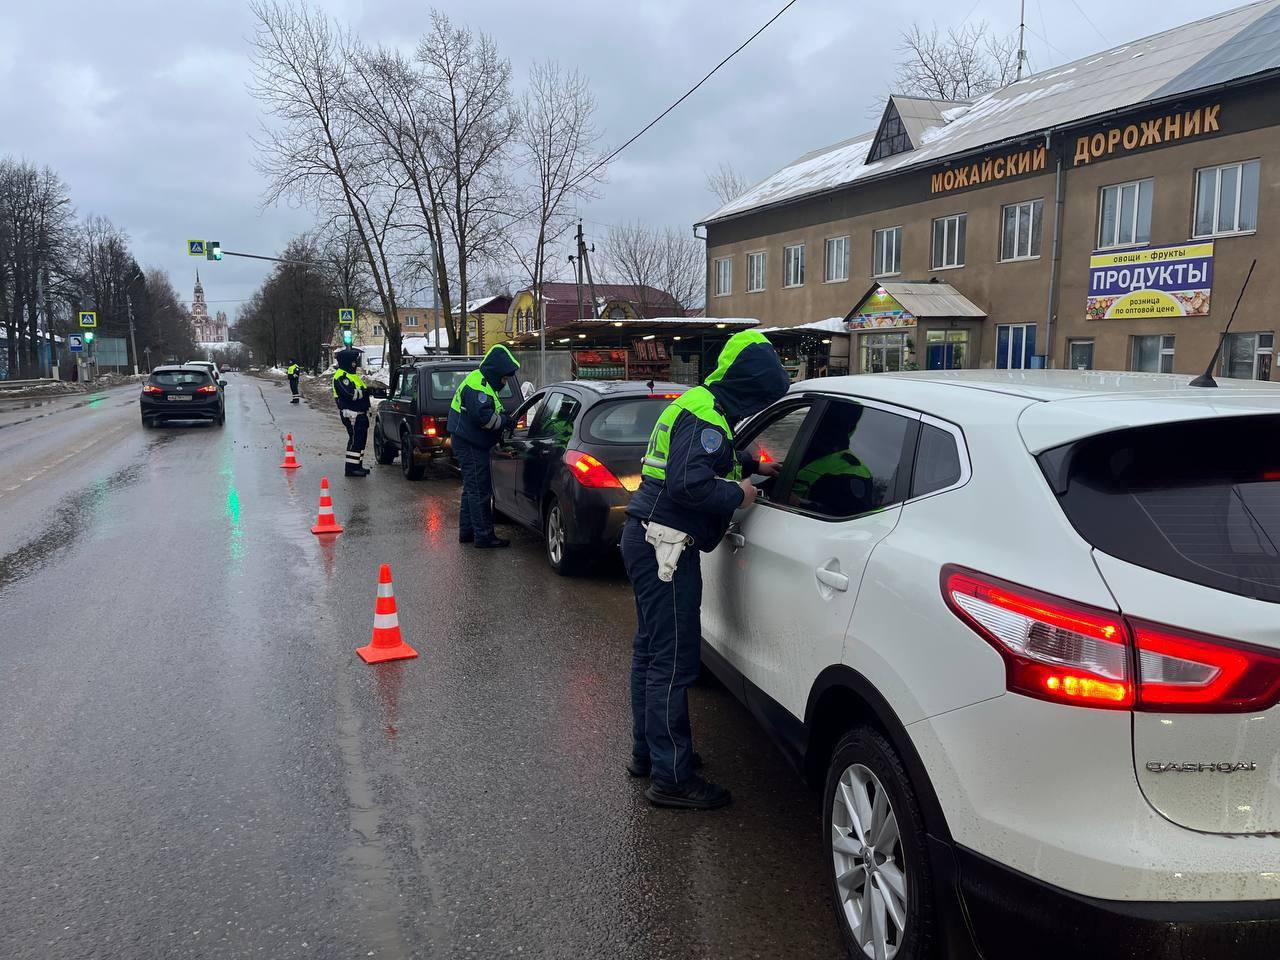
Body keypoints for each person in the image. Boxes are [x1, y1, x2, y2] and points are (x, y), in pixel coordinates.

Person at [622, 330, 790, 810]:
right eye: (759, 395)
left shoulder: (697, 403)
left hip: (647, 535)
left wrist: (750, 464)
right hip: (666, 543)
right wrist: (742, 493)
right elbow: (688, 483)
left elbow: (701, 457)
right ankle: (671, 779)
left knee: (652, 654)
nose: (758, 405)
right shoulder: (708, 417)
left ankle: (650, 755)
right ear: (745, 383)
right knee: (673, 662)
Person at [447, 344, 520, 548]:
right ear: (495, 373)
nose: (505, 382)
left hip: (467, 439)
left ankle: (468, 531)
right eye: (504, 378)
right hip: (470, 443)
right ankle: (484, 536)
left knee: (471, 488)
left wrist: (502, 418)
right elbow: (485, 419)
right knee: (479, 490)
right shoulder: (478, 387)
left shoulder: (482, 382)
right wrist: (504, 421)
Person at [332, 348, 383, 477]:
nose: (355, 364)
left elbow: (361, 390)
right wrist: (366, 392)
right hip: (351, 414)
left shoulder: (352, 375)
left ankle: (357, 465)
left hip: (359, 413)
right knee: (355, 440)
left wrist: (370, 390)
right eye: (353, 361)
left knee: (360, 441)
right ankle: (351, 469)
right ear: (347, 362)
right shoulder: (341, 377)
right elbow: (350, 394)